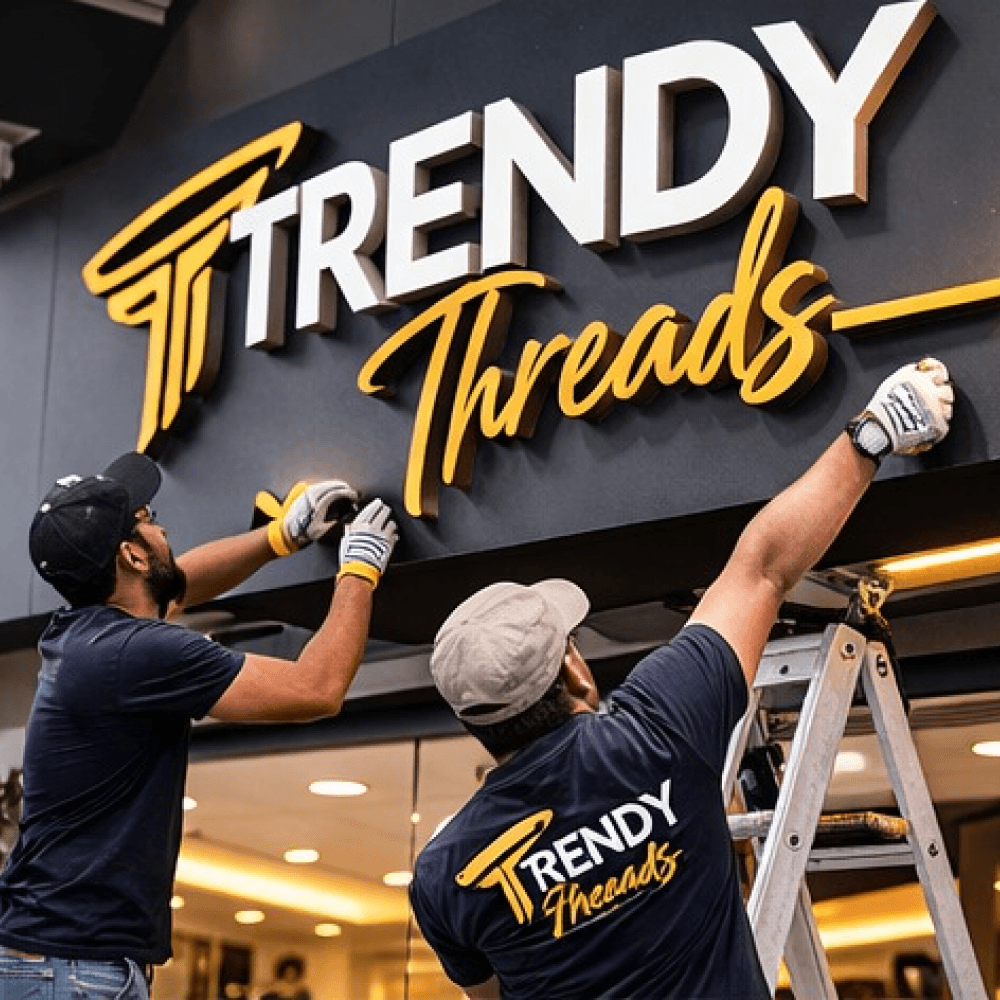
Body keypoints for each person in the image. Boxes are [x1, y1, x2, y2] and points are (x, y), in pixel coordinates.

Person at [409, 359, 955, 1000]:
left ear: (472, 720)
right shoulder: (657, 728)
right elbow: (762, 567)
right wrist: (876, 431)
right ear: (575, 672)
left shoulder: (446, 875)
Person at [0, 454, 398, 999]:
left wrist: (281, 536)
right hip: (72, 970)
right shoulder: (132, 652)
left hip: (56, 962)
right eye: (148, 518)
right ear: (132, 555)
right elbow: (316, 688)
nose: (162, 527)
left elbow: (178, 585)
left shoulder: (85, 634)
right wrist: (359, 571)